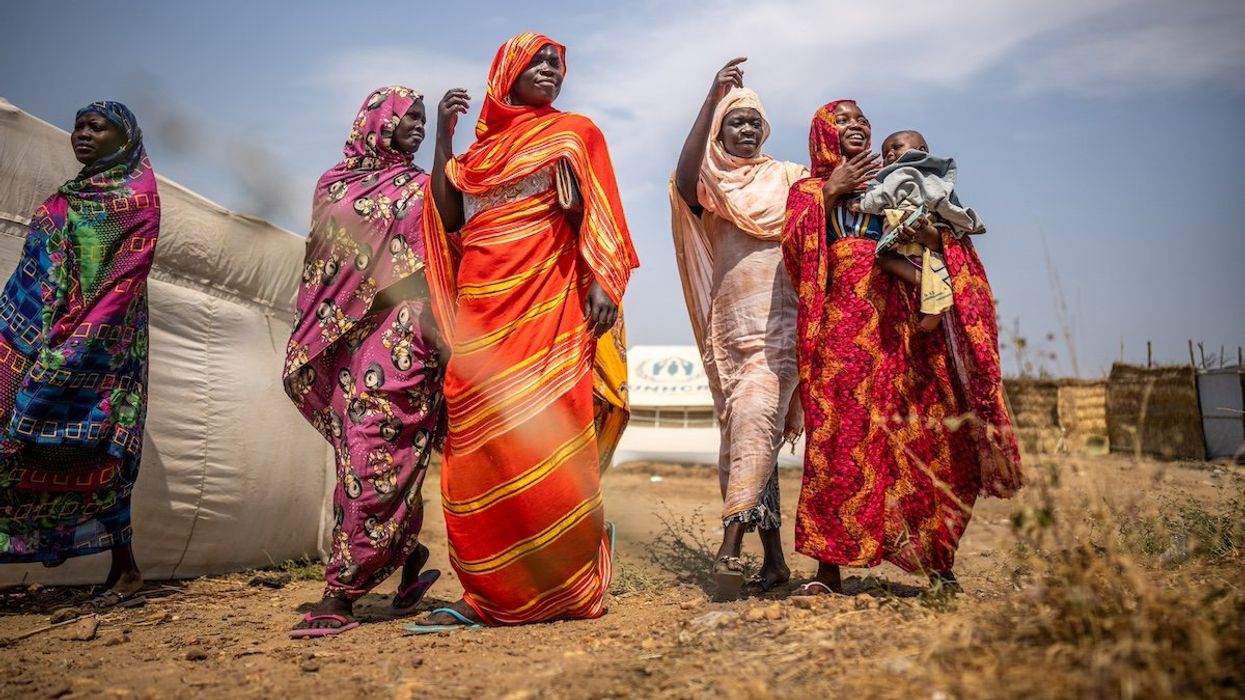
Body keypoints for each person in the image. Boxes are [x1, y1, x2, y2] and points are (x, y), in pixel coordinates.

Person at [410, 32, 637, 631]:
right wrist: (442, 139)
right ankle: (492, 587)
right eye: (536, 60)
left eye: (556, 64)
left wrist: (602, 281)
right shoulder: (475, 157)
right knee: (478, 442)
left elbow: (603, 209)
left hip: (550, 306)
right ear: (504, 70)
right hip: (481, 313)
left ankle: (565, 584)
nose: (549, 70)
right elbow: (451, 214)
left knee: (551, 438)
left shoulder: (575, 133)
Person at [781, 100, 1022, 596]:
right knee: (839, 442)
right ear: (823, 133)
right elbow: (793, 251)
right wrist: (831, 192)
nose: (856, 125)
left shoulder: (900, 184)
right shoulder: (808, 191)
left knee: (927, 437)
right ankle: (829, 571)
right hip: (843, 332)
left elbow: (948, 247)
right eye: (842, 119)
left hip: (912, 331)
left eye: (862, 119)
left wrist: (927, 239)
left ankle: (938, 562)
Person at [283, 86, 444, 638]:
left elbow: (444, 250)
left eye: (423, 120)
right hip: (346, 335)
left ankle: (341, 595)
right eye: (411, 118)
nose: (418, 127)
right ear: (378, 122)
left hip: (405, 333)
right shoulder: (334, 184)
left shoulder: (425, 185)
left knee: (376, 447)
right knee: (362, 458)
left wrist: (446, 137)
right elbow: (322, 263)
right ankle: (407, 553)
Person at [0, 102, 159, 609]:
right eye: (78, 126)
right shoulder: (65, 199)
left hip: (105, 349)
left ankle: (126, 569)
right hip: (35, 337)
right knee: (11, 442)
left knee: (104, 452)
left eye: (97, 127)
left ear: (125, 137)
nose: (83, 134)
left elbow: (124, 280)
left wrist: (78, 340)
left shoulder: (138, 199)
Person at [670, 58, 806, 600]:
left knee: (756, 415)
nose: (747, 129)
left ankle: (728, 554)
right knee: (753, 430)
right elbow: (683, 179)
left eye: (754, 121)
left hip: (785, 325)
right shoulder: (709, 181)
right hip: (732, 328)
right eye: (736, 121)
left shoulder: (792, 178)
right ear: (720, 130)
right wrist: (710, 98)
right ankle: (773, 564)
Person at [861, 130, 985, 332]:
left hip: (907, 225)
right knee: (932, 266)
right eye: (885, 154)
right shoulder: (935, 178)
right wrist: (963, 221)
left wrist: (861, 204)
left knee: (888, 261)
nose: (889, 155)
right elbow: (948, 203)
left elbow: (879, 197)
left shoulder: (903, 173)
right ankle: (936, 299)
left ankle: (934, 299)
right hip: (918, 227)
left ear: (921, 150)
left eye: (896, 147)